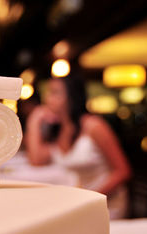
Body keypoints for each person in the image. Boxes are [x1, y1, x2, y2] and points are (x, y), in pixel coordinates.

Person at [25, 75, 131, 218]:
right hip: (77, 203)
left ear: (72, 97)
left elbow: (123, 171)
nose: (48, 99)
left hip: (105, 203)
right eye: (48, 92)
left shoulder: (94, 126)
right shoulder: (58, 130)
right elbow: (36, 160)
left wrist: (90, 198)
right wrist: (35, 119)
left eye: (55, 92)